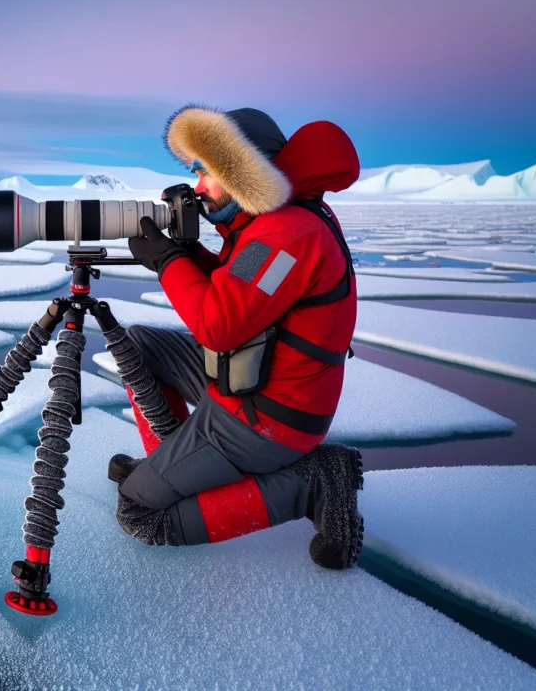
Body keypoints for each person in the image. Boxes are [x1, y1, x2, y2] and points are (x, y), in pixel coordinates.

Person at [112, 105, 364, 569]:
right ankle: (172, 465)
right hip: (254, 381)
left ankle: (313, 485)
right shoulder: (275, 223)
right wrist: (188, 251)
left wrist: (168, 261)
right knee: (138, 346)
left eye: (205, 172)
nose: (198, 187)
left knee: (140, 514)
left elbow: (220, 324)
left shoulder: (287, 234)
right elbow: (243, 289)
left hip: (271, 416)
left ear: (242, 170)